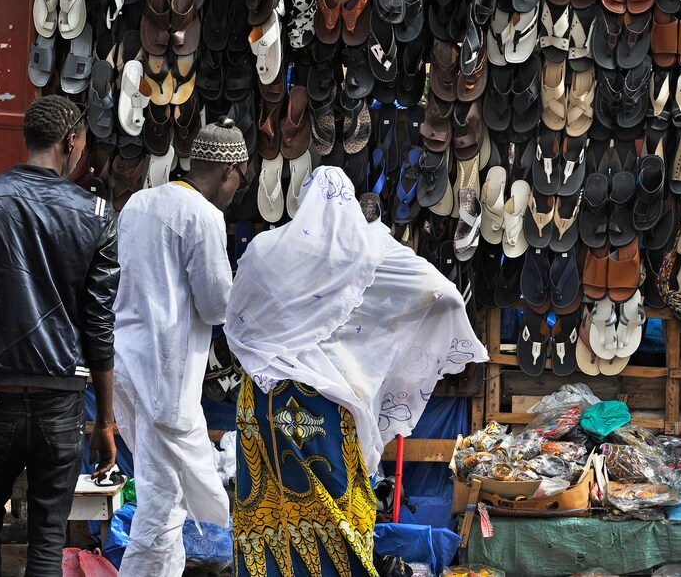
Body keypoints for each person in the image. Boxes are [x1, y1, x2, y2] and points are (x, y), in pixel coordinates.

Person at [225, 166, 488, 576]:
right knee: (336, 517)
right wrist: (369, 334)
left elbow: (236, 325)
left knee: (266, 514)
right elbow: (445, 293)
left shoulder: (264, 249)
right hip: (325, 408)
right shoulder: (367, 254)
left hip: (260, 402)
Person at [0, 95, 119, 577]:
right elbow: (99, 326)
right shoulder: (96, 215)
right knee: (48, 539)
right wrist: (106, 423)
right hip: (61, 403)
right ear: (70, 141)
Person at [112, 119, 249, 576]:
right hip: (167, 377)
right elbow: (215, 306)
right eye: (239, 180)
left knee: (160, 491)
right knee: (163, 499)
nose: (236, 192)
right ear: (227, 173)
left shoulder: (138, 203)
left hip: (126, 365)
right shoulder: (204, 217)